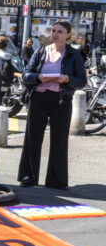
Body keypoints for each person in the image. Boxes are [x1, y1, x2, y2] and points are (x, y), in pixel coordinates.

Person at [17, 20, 86, 190]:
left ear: (68, 35)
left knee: (59, 140)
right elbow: (26, 75)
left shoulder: (73, 55)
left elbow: (82, 81)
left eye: (60, 31)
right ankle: (28, 177)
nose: (55, 34)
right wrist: (39, 78)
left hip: (61, 100)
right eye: (53, 31)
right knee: (32, 138)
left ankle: (56, 180)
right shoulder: (41, 51)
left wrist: (67, 79)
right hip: (39, 98)